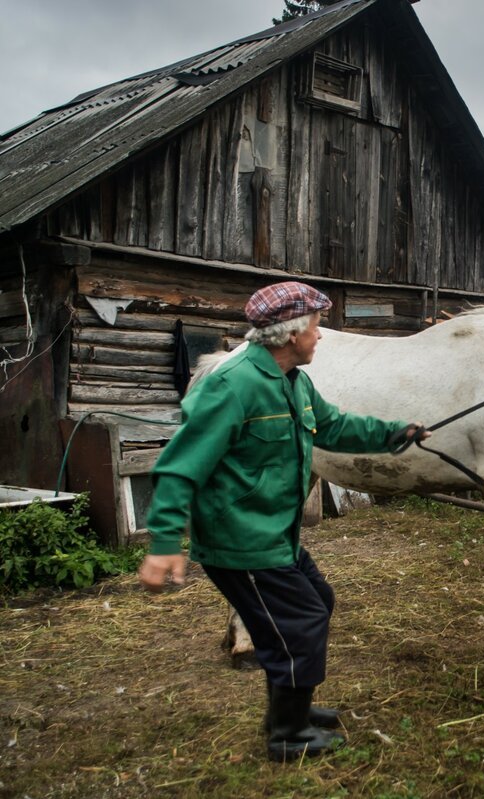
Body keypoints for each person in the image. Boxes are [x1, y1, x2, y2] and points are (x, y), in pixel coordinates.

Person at [138, 281, 427, 763]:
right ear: (291, 335)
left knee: (316, 601)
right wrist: (165, 540)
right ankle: (287, 734)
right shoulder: (233, 386)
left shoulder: (294, 380)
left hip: (274, 532)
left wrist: (395, 433)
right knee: (301, 621)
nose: (320, 336)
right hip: (240, 538)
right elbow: (180, 464)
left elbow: (333, 426)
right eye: (316, 327)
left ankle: (293, 710)